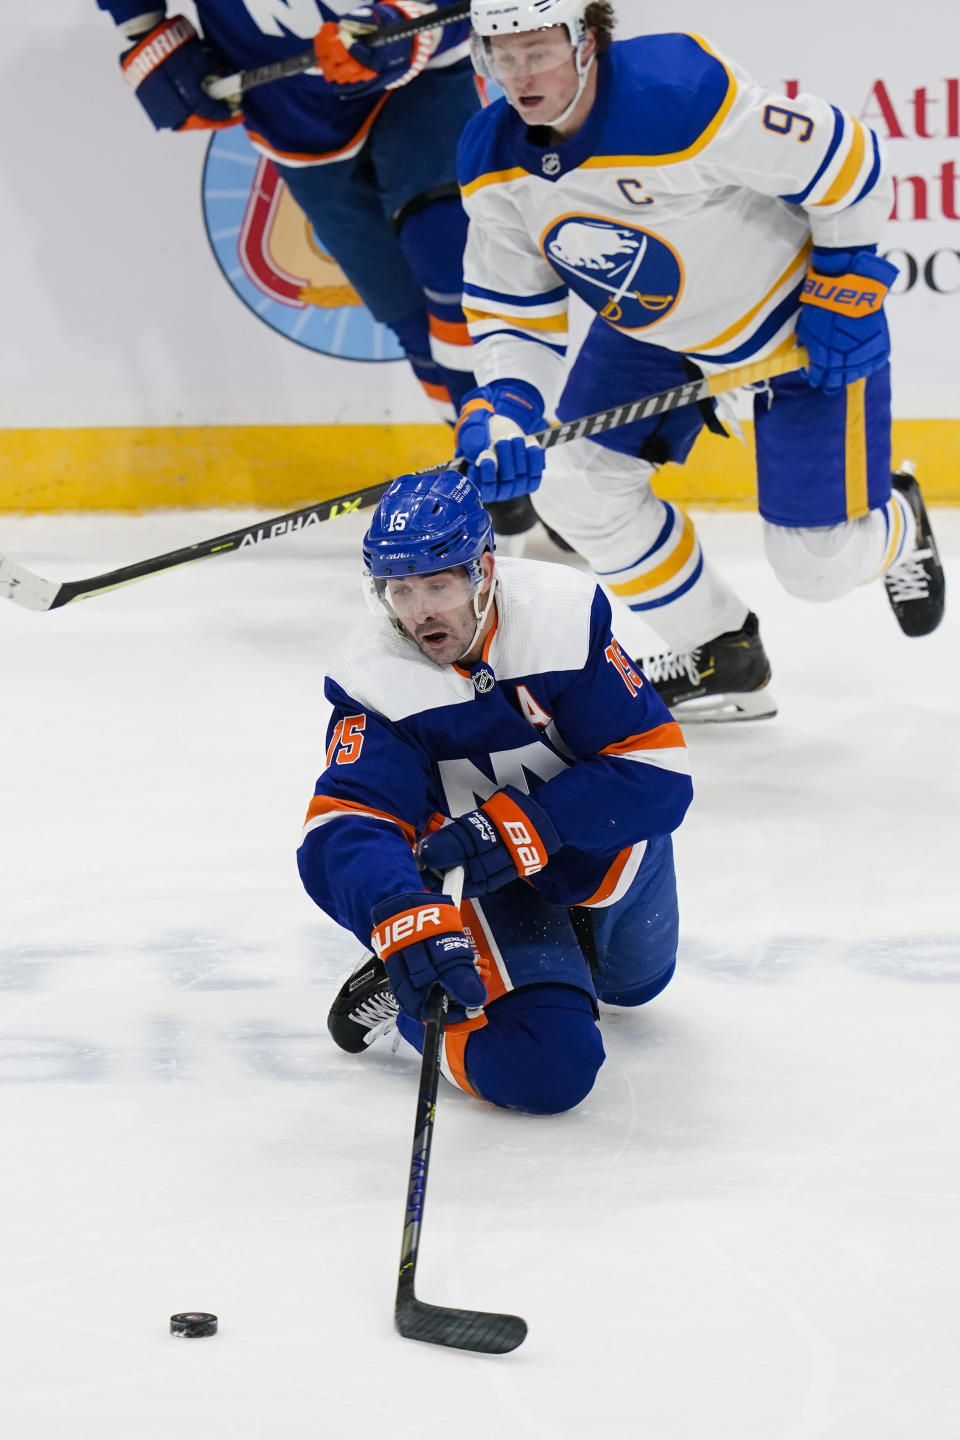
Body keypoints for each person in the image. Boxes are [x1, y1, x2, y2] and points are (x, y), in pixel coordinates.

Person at [452, 0, 946, 720]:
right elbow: (511, 309)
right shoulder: (491, 157)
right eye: (504, 53)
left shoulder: (676, 95)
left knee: (816, 567)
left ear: (586, 42)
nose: (520, 75)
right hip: (654, 337)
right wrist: (505, 409)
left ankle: (898, 520)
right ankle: (722, 653)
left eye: (539, 51)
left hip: (789, 328)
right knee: (570, 486)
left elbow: (848, 158)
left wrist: (845, 279)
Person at [297, 469, 692, 1114]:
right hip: (479, 883)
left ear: (483, 571)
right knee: (546, 1069)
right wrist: (398, 911)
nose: (420, 610)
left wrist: (520, 828)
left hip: (593, 854)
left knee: (636, 987)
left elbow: (657, 771)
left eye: (438, 584)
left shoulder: (562, 619)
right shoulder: (372, 679)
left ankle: (553, 954)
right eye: (399, 589)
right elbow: (346, 822)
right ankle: (414, 1002)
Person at [94, 0, 536, 543]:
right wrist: (147, 29)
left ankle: (508, 441)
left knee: (451, 270)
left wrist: (400, 25)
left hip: (419, 82)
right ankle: (487, 452)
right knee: (407, 315)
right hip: (292, 113)